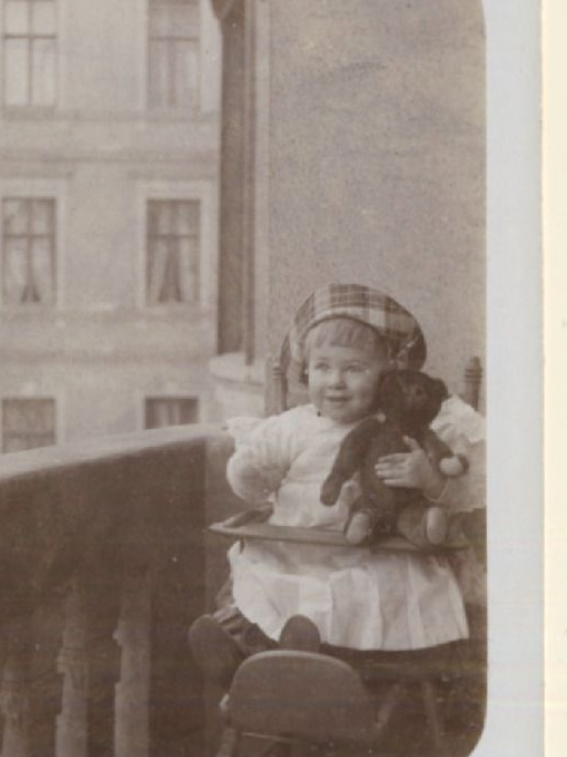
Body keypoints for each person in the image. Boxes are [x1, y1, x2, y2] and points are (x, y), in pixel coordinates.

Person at [189, 283, 486, 689]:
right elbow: (253, 480)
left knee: (352, 597)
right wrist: (250, 474)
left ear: (387, 377)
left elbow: (462, 497)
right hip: (296, 552)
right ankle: (246, 657)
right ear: (306, 369)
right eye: (323, 367)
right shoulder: (292, 426)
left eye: (354, 369)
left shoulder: (410, 432)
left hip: (375, 557)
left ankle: (299, 664)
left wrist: (429, 479)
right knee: (266, 586)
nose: (336, 382)